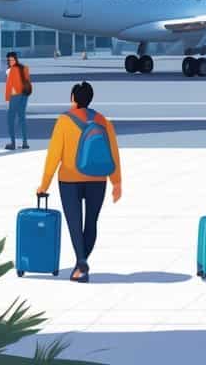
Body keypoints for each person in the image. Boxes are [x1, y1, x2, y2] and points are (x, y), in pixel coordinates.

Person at [37, 81, 122, 283]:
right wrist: (116, 182)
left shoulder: (64, 121)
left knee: (75, 224)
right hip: (98, 179)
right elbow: (113, 154)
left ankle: (81, 262)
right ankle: (80, 265)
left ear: (73, 98)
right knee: (91, 222)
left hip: (69, 179)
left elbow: (53, 155)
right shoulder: (103, 121)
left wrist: (44, 184)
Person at [4, 52, 32, 151]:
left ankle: (13, 143)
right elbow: (28, 81)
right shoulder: (24, 68)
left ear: (15, 59)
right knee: (22, 117)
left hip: (15, 96)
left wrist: (8, 97)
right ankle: (25, 142)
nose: (10, 62)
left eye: (11, 60)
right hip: (24, 95)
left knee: (10, 118)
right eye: (9, 60)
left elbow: (9, 86)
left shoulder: (11, 70)